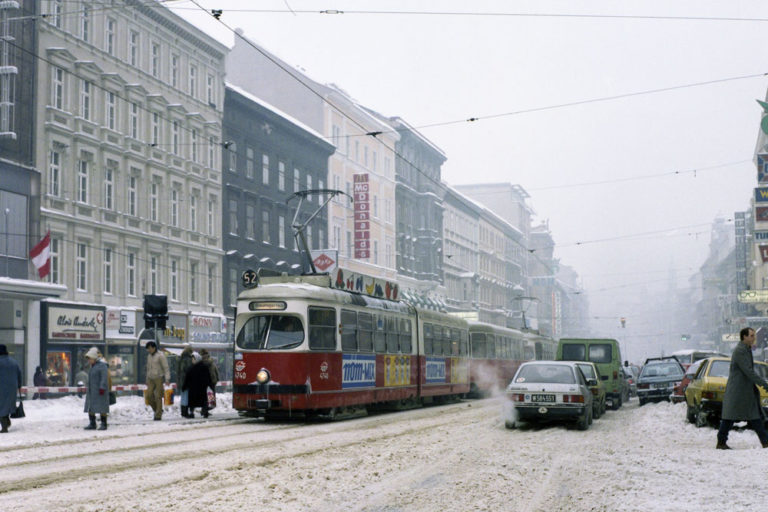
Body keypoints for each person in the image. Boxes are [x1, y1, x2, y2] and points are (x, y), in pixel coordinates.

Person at [716, 327, 768, 449]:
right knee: (729, 417)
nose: (753, 338)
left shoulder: (746, 349)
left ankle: (765, 441)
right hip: (737, 391)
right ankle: (721, 441)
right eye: (751, 335)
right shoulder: (740, 350)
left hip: (745, 390)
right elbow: (748, 371)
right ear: (744, 337)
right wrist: (764, 384)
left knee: (755, 416)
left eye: (754, 335)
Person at [83, 347, 110, 430]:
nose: (89, 361)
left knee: (102, 408)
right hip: (92, 391)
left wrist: (102, 387)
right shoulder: (92, 366)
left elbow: (104, 377)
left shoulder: (102, 366)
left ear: (94, 358)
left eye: (90, 359)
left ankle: (104, 423)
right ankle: (92, 423)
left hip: (100, 390)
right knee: (90, 407)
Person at [0, 344, 22, 434]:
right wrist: (19, 386)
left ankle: (5, 427)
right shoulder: (14, 362)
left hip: (1, 388)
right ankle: (7, 422)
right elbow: (19, 374)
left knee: (1, 407)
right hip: (12, 388)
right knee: (7, 406)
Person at [145, 341, 170, 421]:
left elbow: (166, 367)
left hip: (159, 377)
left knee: (158, 396)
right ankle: (157, 410)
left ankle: (158, 415)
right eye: (147, 349)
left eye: (149, 348)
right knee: (148, 396)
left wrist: (167, 379)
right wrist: (147, 378)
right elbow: (148, 368)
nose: (148, 350)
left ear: (154, 348)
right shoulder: (149, 356)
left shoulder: (160, 356)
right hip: (150, 378)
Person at [177, 346, 195, 418]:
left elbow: (178, 371)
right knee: (187, 397)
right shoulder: (189, 359)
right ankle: (186, 412)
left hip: (181, 380)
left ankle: (183, 412)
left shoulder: (180, 358)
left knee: (183, 396)